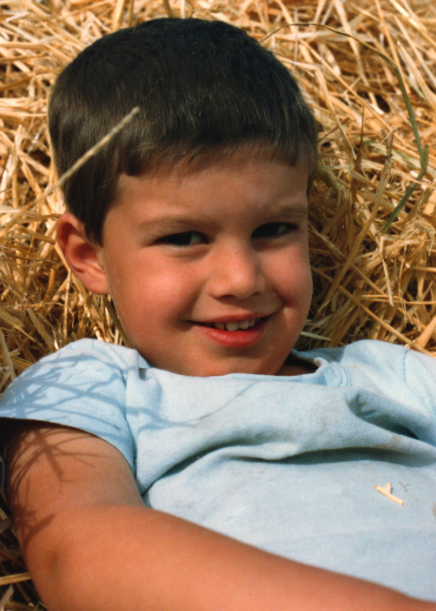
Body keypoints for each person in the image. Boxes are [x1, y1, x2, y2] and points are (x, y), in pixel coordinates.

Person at [0, 17, 435, 611]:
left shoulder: (394, 377)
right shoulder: (91, 387)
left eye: (274, 229)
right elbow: (77, 552)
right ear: (90, 256)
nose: (241, 279)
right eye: (183, 238)